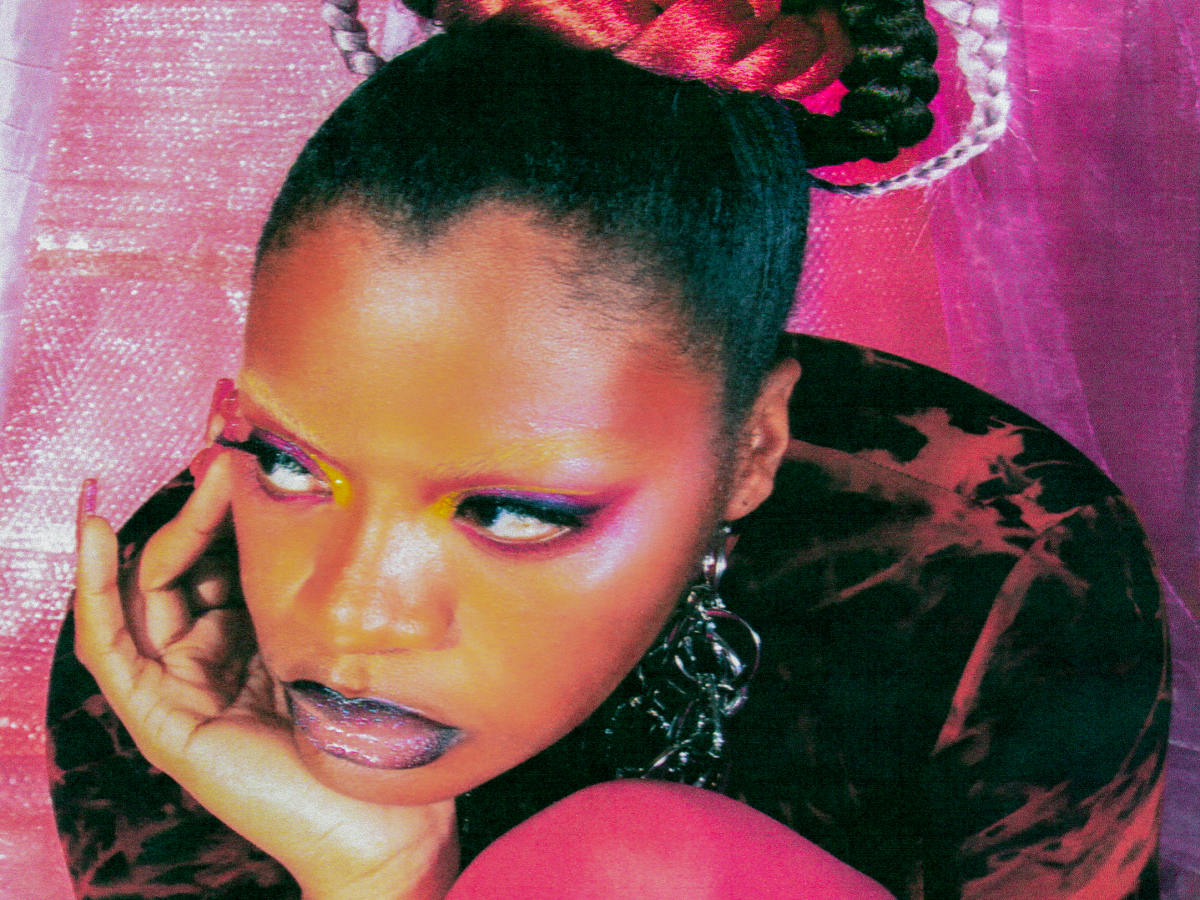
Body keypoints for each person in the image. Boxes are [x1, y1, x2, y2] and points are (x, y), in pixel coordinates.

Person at [48, 4, 1168, 899]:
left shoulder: (989, 566)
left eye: (511, 512)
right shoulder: (177, 653)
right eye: (290, 464)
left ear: (753, 449)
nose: (350, 614)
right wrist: (373, 875)